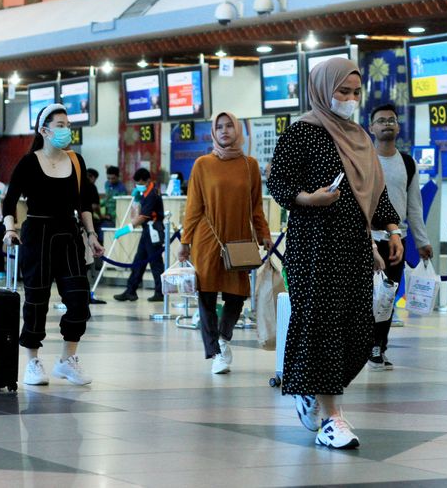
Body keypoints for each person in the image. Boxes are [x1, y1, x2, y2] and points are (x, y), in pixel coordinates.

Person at [267, 58, 402, 449]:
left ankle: (313, 390)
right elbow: (279, 183)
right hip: (315, 246)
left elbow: (375, 194)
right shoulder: (303, 133)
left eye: (356, 92)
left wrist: (391, 230)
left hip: (355, 246)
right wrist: (309, 198)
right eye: (343, 91)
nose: (350, 99)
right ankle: (332, 417)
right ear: (324, 90)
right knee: (323, 325)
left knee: (359, 329)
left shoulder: (360, 137)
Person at [2, 103, 104, 387]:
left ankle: (66, 360)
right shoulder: (28, 162)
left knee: (79, 299)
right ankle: (32, 361)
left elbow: (83, 204)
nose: (66, 130)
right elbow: (9, 201)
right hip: (37, 235)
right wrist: (10, 229)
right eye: (60, 125)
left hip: (68, 235)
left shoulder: (76, 161)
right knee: (36, 302)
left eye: (67, 125)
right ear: (44, 130)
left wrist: (92, 234)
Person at [179, 112, 273, 374]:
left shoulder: (249, 165)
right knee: (207, 294)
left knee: (237, 294)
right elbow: (194, 206)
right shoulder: (202, 164)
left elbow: (256, 206)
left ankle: (224, 337)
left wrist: (263, 233)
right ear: (213, 132)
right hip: (208, 239)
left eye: (229, 126)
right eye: (218, 127)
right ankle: (215, 352)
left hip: (239, 238)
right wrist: (185, 240)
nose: (224, 131)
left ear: (237, 130)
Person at [368, 103, 433, 371]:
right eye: (381, 120)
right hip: (366, 239)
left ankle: (377, 347)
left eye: (391, 120)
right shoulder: (363, 159)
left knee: (387, 297)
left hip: (397, 240)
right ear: (371, 128)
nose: (387, 124)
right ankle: (359, 344)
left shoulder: (407, 163)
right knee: (364, 296)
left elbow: (414, 205)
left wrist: (422, 240)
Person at [113, 168, 165, 303]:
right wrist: (136, 199)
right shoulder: (145, 193)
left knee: (155, 263)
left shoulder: (152, 194)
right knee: (138, 261)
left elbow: (143, 216)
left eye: (140, 182)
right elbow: (135, 213)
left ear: (147, 180)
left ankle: (160, 292)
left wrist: (127, 229)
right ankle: (131, 291)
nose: (138, 185)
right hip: (147, 231)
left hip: (153, 230)